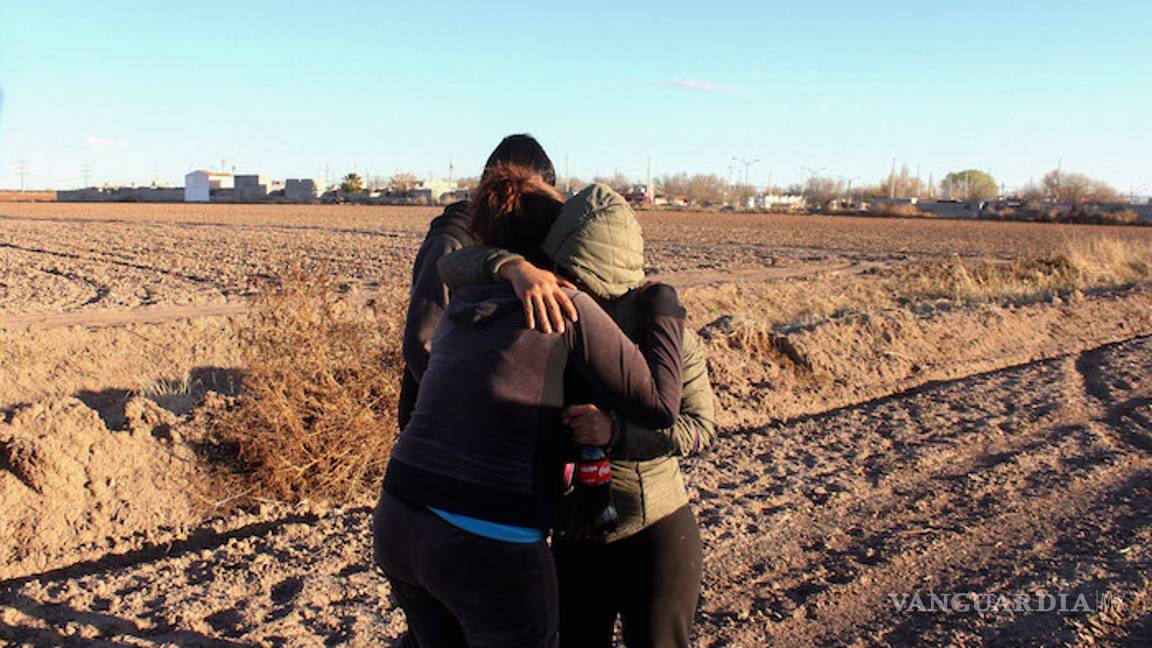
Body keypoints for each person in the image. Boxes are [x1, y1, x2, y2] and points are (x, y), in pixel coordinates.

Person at [374, 165, 689, 647]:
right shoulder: (568, 305)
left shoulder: (469, 294)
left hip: (399, 516)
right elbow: (661, 407)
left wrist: (507, 265)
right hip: (488, 538)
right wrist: (664, 306)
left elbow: (448, 264)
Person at [397, 133, 575, 431]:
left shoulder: (514, 236)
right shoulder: (452, 239)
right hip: (444, 427)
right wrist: (464, 414)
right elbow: (422, 342)